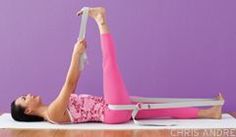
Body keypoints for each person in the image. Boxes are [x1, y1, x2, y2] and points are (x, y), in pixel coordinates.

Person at [11, 7, 224, 124]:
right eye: (24, 98)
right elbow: (68, 83)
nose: (28, 94)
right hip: (112, 110)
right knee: (109, 65)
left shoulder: (56, 107)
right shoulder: (53, 114)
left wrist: (79, 56)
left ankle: (209, 113)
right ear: (28, 110)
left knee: (162, 108)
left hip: (114, 108)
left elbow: (73, 83)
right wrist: (74, 54)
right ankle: (101, 20)